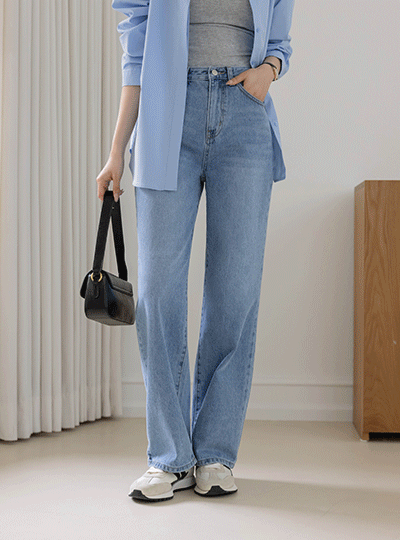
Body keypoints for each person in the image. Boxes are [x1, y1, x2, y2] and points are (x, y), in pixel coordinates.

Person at [97, 0, 295, 502]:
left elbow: (280, 41)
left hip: (244, 115)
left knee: (235, 292)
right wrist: (116, 150)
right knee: (158, 294)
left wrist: (268, 72)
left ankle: (215, 454)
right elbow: (137, 52)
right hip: (167, 115)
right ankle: (169, 457)